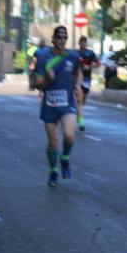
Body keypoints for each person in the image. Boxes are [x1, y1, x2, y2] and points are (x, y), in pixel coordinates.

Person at [33, 25, 83, 187]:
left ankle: (65, 158)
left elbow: (79, 71)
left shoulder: (72, 56)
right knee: (53, 142)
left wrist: (78, 86)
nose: (62, 40)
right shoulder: (43, 58)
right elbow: (37, 84)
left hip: (67, 103)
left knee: (69, 135)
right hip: (49, 105)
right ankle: (53, 170)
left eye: (64, 37)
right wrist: (47, 79)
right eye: (59, 37)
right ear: (53, 39)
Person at [76, 35, 99, 131]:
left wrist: (89, 66)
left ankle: (78, 113)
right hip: (77, 79)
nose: (83, 44)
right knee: (79, 100)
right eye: (82, 42)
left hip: (87, 79)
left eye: (85, 42)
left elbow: (98, 63)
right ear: (79, 43)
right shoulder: (75, 53)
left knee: (83, 99)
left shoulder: (90, 53)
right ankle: (81, 122)